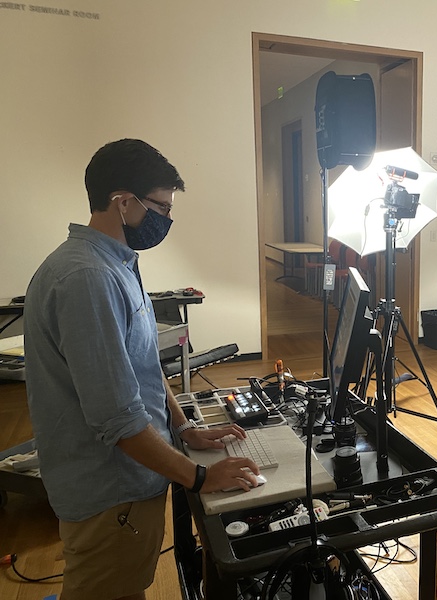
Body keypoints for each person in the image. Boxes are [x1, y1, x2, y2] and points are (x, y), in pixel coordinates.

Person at [23, 139, 260, 600]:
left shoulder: (116, 263)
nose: (166, 220)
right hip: (112, 492)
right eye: (161, 207)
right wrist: (201, 478)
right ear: (123, 201)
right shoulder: (87, 278)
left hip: (133, 478)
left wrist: (183, 426)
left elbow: (143, 363)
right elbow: (117, 418)